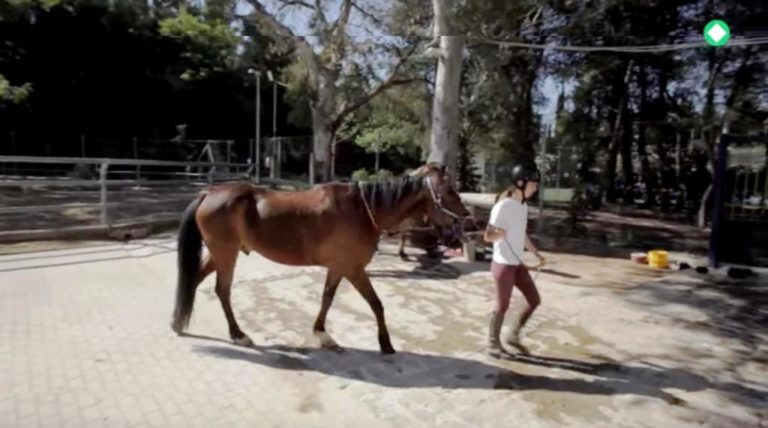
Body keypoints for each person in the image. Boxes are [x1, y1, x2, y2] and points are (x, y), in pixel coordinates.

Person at [483, 164, 545, 358]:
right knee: (502, 306)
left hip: (517, 264)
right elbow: (487, 236)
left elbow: (522, 233)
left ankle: (513, 335)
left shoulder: (522, 206)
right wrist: (499, 234)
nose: (535, 188)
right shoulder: (503, 207)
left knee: (534, 300)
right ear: (520, 184)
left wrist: (536, 253)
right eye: (533, 184)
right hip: (503, 265)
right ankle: (493, 344)